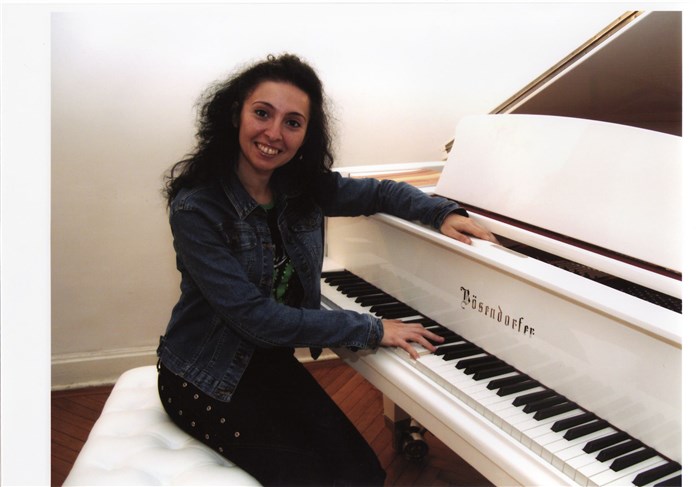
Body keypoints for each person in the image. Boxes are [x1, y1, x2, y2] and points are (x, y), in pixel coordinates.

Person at [157, 53, 497, 486]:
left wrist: (440, 212)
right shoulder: (197, 208)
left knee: (364, 474)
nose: (274, 133)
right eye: (262, 113)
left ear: (306, 133)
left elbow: (379, 193)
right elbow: (254, 318)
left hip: (268, 364)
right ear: (235, 113)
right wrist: (370, 328)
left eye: (292, 122)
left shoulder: (299, 187)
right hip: (204, 378)